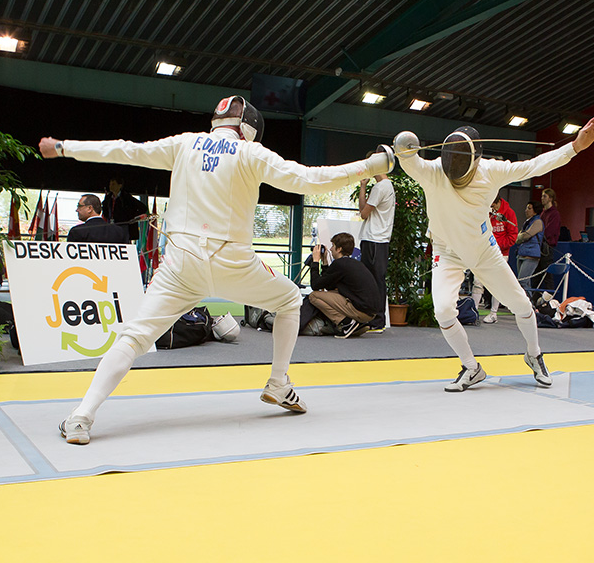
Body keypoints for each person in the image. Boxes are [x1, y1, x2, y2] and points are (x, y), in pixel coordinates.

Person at [39, 95, 394, 444]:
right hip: (232, 264)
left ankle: (81, 416)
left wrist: (64, 147)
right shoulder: (251, 152)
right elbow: (310, 179)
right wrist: (372, 166)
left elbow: (126, 151)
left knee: (134, 337)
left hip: (180, 265)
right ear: (249, 128)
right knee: (289, 300)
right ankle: (278, 382)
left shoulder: (185, 144)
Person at [393, 115, 594, 392]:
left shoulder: (491, 170)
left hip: (483, 251)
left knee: (522, 305)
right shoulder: (433, 170)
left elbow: (534, 165)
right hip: (448, 252)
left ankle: (534, 354)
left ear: (475, 160)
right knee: (443, 311)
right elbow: (409, 161)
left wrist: (574, 147)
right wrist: (404, 148)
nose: (454, 168)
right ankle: (471, 368)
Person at [306, 232, 381, 338]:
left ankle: (346, 323)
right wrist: (325, 262)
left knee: (314, 296)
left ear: (339, 249)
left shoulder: (339, 264)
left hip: (360, 310)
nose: (330, 249)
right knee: (332, 293)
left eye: (333, 246)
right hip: (370, 312)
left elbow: (315, 285)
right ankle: (356, 324)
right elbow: (328, 285)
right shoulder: (353, 263)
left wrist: (315, 261)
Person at [357, 173, 395, 332]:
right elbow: (363, 211)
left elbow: (363, 214)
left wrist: (363, 187)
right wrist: (363, 186)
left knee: (374, 280)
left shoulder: (380, 187)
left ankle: (377, 320)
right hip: (378, 240)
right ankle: (376, 319)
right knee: (376, 279)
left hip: (374, 239)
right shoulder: (387, 186)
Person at [471, 195, 517, 324]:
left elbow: (512, 237)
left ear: (497, 202)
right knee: (477, 282)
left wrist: (495, 245)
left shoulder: (509, 213)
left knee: (496, 284)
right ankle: (473, 312)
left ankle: (493, 313)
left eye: (493, 206)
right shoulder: (486, 212)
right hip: (483, 253)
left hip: (500, 254)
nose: (491, 208)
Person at [102, 176, 148, 241]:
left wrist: (131, 217)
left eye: (113, 184)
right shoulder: (108, 198)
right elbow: (105, 210)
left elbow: (143, 208)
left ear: (120, 185)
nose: (110, 186)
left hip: (123, 226)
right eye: (110, 184)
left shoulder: (126, 197)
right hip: (111, 225)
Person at [515, 201, 544, 292]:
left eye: (529, 208)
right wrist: (520, 237)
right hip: (522, 253)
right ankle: (528, 300)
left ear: (535, 210)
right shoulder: (527, 222)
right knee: (526, 283)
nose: (526, 210)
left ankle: (527, 300)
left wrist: (520, 236)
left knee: (522, 282)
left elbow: (526, 235)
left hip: (531, 255)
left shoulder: (538, 222)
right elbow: (519, 238)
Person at [536, 187, 561, 289]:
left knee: (547, 275)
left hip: (547, 246)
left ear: (550, 198)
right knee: (536, 274)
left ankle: (549, 296)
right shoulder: (542, 213)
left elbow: (550, 230)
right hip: (539, 245)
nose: (542, 198)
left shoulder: (554, 214)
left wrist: (539, 234)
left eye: (544, 196)